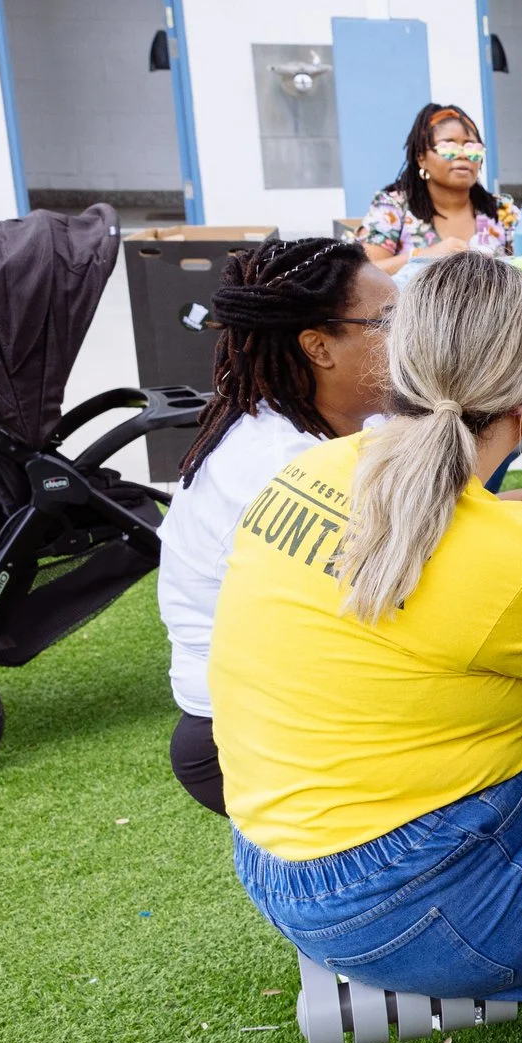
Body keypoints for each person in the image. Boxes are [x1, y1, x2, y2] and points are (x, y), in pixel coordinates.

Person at [210, 251, 522, 1043]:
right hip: (405, 900)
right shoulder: (510, 554)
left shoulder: (309, 469)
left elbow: (394, 666)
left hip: (279, 863)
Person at [157, 239, 392, 815]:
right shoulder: (281, 464)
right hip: (244, 736)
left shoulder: (343, 422)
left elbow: (451, 515)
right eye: (390, 322)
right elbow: (416, 572)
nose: (415, 336)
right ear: (318, 347)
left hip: (307, 696)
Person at [355, 103, 522, 280]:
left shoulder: (500, 210)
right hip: (415, 326)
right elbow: (364, 272)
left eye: (471, 147)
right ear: (421, 157)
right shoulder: (393, 207)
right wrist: (425, 255)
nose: (462, 154)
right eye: (448, 146)